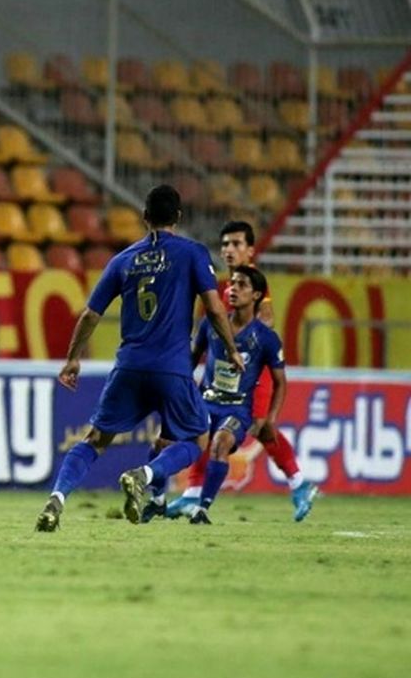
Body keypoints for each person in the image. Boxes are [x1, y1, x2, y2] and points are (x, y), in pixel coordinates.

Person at [35, 184, 243, 532]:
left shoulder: (123, 259)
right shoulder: (192, 253)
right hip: (172, 368)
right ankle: (143, 475)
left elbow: (89, 315)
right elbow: (214, 307)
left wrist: (72, 359)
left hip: (129, 366)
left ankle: (56, 499)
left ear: (144, 218)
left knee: (94, 440)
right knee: (196, 439)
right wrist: (233, 349)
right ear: (178, 216)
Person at [166, 220, 311, 521]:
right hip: (225, 371)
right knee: (204, 424)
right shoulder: (225, 285)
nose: (229, 250)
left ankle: (299, 482)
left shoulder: (257, 285)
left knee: (258, 426)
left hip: (252, 373)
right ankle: (193, 492)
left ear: (250, 250)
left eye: (236, 244)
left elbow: (266, 320)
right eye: (225, 245)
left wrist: (248, 344)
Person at [176, 267, 292, 524]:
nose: (233, 289)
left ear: (257, 295)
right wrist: (179, 391)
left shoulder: (267, 338)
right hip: (204, 402)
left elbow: (280, 382)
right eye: (232, 284)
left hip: (237, 410)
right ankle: (155, 495)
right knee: (172, 442)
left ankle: (202, 508)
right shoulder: (210, 323)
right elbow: (191, 361)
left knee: (220, 444)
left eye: (241, 285)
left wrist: (271, 418)